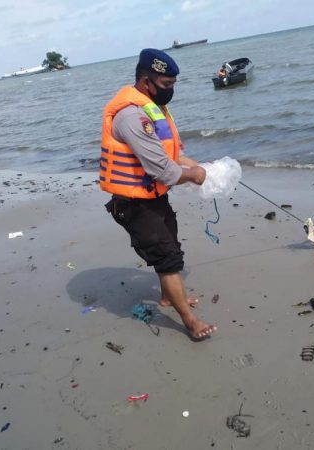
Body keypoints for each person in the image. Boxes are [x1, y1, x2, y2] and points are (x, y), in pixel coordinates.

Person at [100, 48, 217, 340]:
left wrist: (205, 168)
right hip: (133, 204)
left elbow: (174, 155)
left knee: (171, 246)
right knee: (167, 259)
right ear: (145, 81)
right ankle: (190, 322)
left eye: (174, 84)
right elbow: (164, 171)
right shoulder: (130, 116)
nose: (171, 91)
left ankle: (168, 298)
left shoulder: (153, 107)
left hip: (154, 197)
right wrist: (196, 176)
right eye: (166, 85)